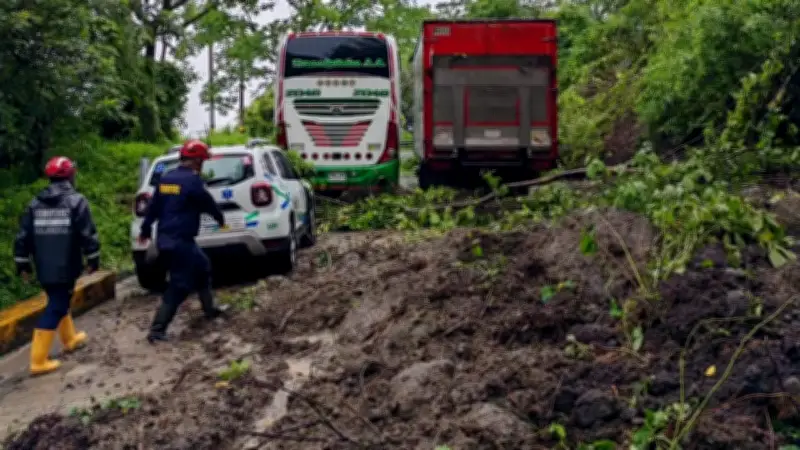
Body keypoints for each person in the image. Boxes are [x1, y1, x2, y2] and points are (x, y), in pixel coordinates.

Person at [14, 156, 99, 376]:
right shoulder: (76, 201)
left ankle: (69, 339)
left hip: (44, 267)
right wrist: (93, 258)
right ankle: (38, 360)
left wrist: (22, 262)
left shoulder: (35, 204)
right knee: (58, 306)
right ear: (70, 176)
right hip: (66, 265)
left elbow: (23, 236)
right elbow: (87, 234)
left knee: (59, 300)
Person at [138, 139, 228, 343]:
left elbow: (153, 208)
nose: (202, 165)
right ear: (197, 161)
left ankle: (210, 309)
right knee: (179, 285)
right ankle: (157, 330)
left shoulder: (166, 179)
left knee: (203, 266)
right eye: (202, 161)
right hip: (180, 242)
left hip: (168, 239)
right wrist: (219, 218)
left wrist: (145, 229)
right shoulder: (193, 181)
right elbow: (207, 202)